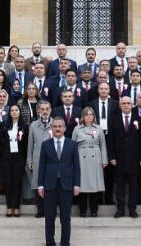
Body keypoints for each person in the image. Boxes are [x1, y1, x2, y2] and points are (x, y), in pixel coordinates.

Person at [37, 117, 80, 246]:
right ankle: (50, 242)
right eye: (55, 126)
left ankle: (65, 242)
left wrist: (77, 184)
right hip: (49, 185)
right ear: (51, 128)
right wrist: (40, 185)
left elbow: (76, 166)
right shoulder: (45, 144)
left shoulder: (72, 144)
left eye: (60, 126)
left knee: (65, 218)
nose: (57, 128)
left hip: (66, 185)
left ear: (64, 128)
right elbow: (42, 166)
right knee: (49, 217)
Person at [71, 106, 107, 217]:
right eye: (86, 114)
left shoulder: (98, 128)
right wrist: (72, 161)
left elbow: (103, 145)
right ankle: (82, 210)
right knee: (82, 185)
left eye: (91, 114)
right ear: (83, 116)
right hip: (81, 157)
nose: (89, 117)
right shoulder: (77, 129)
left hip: (95, 157)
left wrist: (104, 160)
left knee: (94, 186)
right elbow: (72, 146)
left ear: (94, 116)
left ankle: (94, 210)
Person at [0, 104, 27, 217]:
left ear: (19, 112)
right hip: (6, 158)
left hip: (19, 158)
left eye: (16, 110)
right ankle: (9, 207)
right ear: (9, 112)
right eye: (12, 110)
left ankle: (16, 207)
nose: (14, 112)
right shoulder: (4, 125)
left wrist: (27, 159)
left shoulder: (24, 126)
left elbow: (27, 144)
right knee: (8, 183)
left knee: (17, 183)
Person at [27, 100, 53, 217]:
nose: (45, 111)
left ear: (50, 110)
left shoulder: (56, 124)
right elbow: (30, 145)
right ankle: (40, 209)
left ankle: (50, 209)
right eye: (42, 109)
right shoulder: (33, 125)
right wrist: (29, 161)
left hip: (52, 159)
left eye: (47, 109)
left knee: (51, 184)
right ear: (38, 111)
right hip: (37, 158)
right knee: (39, 183)